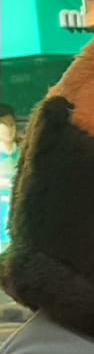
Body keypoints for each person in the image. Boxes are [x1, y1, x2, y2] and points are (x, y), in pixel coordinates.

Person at [0, 105, 18, 255]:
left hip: (17, 222)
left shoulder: (22, 152)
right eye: (3, 125)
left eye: (11, 124)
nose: (8, 129)